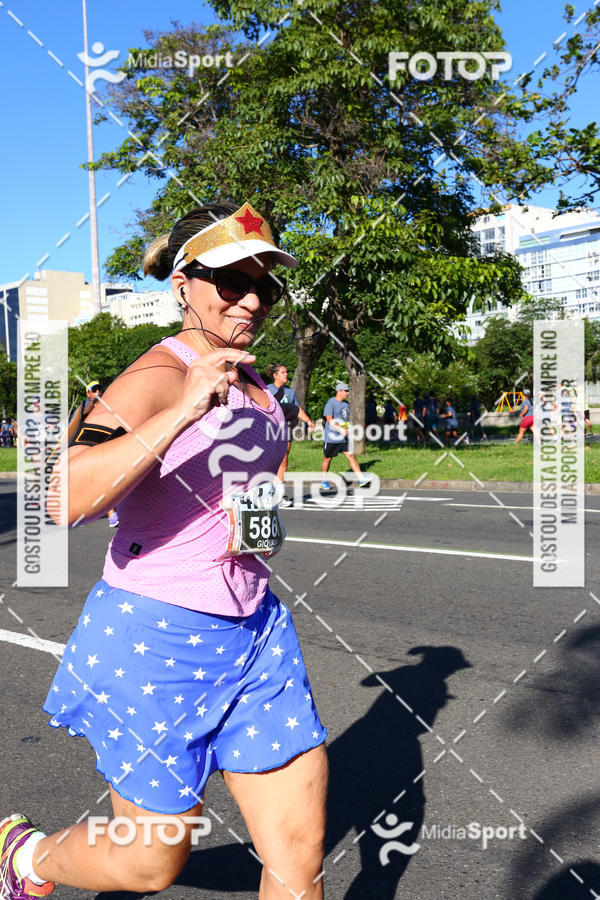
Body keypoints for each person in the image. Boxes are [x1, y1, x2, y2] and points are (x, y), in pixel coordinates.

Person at [1, 201, 327, 900]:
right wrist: (183, 409)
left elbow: (255, 482)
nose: (250, 300)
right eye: (230, 282)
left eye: (265, 285)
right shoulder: (157, 375)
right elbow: (59, 500)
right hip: (157, 636)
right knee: (149, 864)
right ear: (183, 285)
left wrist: (259, 524)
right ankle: (27, 857)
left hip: (257, 632)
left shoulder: (256, 381)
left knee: (298, 859)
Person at [266, 363, 314, 506]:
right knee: (268, 461)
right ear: (275, 375)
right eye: (283, 372)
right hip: (269, 429)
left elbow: (297, 409)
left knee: (284, 460)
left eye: (286, 372)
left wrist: (308, 420)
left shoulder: (290, 392)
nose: (286, 374)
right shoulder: (267, 390)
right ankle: (266, 491)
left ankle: (280, 495)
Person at [320, 382, 369, 490]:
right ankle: (323, 481)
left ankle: (361, 479)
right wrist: (340, 429)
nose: (347, 393)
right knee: (328, 458)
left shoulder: (346, 404)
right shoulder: (331, 403)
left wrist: (349, 429)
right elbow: (329, 419)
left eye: (348, 391)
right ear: (339, 391)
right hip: (332, 437)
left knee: (351, 456)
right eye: (346, 391)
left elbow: (345, 420)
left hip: (343, 438)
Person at [84, 381, 119, 527]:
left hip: (110, 446)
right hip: (93, 449)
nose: (97, 392)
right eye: (94, 390)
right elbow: (84, 414)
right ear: (88, 393)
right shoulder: (86, 407)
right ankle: (111, 514)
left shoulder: (108, 405)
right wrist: (93, 402)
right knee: (103, 480)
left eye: (99, 389)